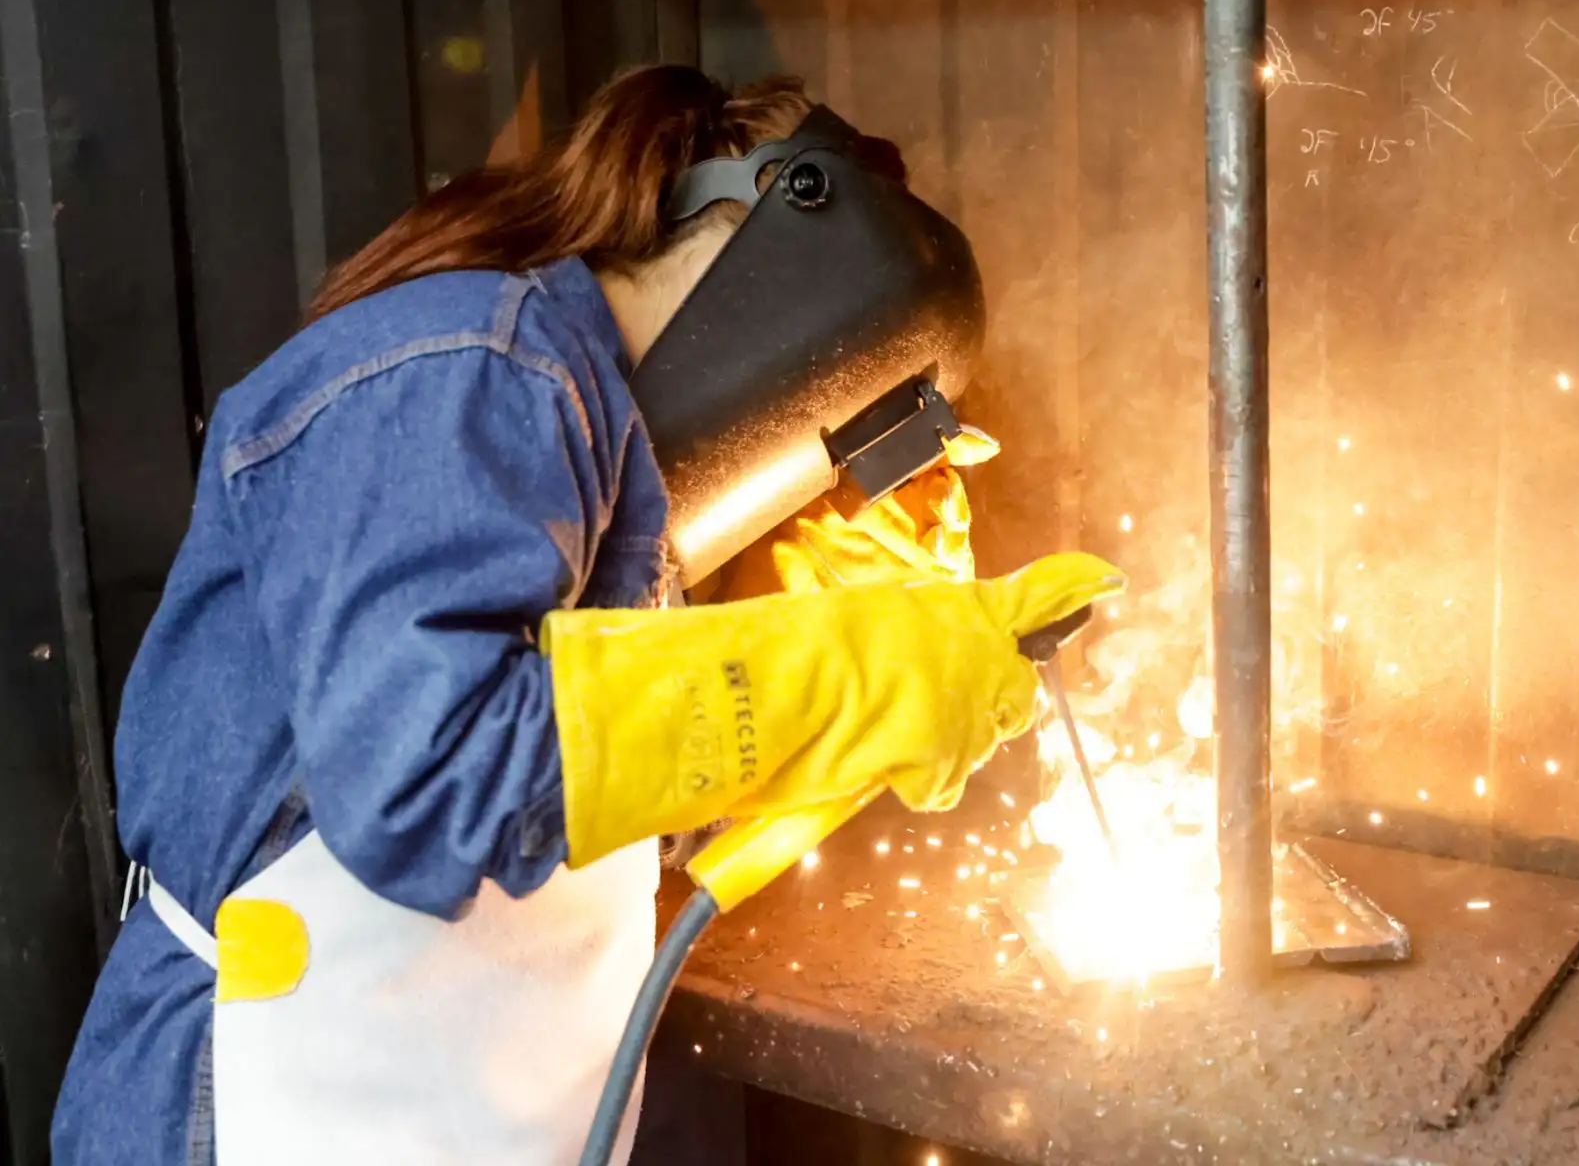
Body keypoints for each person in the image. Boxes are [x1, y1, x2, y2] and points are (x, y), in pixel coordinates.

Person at [52, 64, 1120, 1165]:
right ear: (776, 218)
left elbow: (580, 808)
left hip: (426, 1107)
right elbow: (428, 774)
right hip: (245, 1102)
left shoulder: (613, 480)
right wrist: (848, 671)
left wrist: (838, 691)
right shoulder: (474, 364)